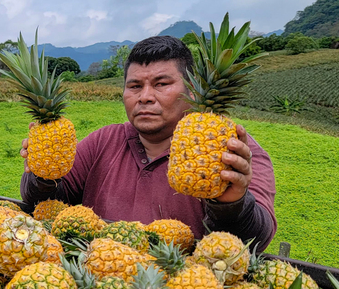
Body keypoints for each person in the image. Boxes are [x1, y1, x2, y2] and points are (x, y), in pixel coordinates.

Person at [19, 36, 277, 251]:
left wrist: (232, 203)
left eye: (161, 84)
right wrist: (41, 174)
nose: (145, 97)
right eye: (134, 86)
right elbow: (45, 201)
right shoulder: (103, 140)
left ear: (192, 91)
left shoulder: (237, 154)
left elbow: (258, 237)